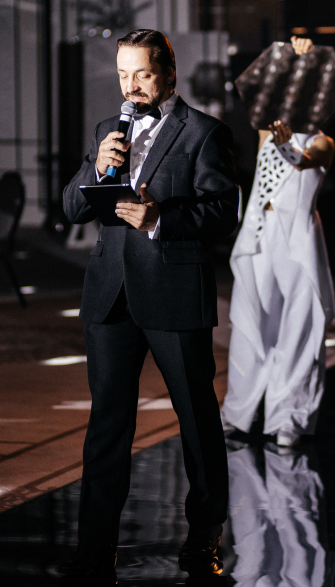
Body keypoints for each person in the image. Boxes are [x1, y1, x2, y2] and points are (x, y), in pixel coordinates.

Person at [61, 29, 239, 585]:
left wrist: (161, 218)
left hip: (173, 290)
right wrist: (97, 170)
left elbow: (222, 211)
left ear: (168, 73)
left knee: (196, 419)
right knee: (107, 424)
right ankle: (95, 547)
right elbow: (72, 207)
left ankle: (205, 531)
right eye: (122, 74)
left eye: (141, 74)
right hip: (110, 293)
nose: (131, 86)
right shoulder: (105, 131)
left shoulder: (204, 132)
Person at [221, 37, 335, 448]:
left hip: (298, 239)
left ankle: (289, 417)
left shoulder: (323, 141)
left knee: (297, 326)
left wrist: (289, 145)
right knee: (251, 320)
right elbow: (257, 84)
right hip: (260, 233)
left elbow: (304, 160)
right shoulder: (264, 133)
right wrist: (291, 55)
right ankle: (238, 412)